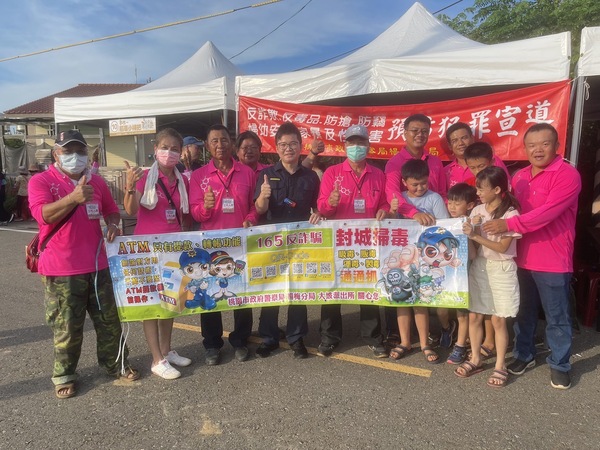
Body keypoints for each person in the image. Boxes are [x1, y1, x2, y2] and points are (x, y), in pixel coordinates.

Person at [28, 130, 139, 399]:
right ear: (56, 154)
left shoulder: (97, 181)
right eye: (68, 151)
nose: (75, 156)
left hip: (98, 265)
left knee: (109, 321)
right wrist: (73, 198)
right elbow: (43, 215)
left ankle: (116, 363)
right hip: (62, 269)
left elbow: (111, 210)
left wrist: (113, 224)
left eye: (80, 151)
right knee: (67, 326)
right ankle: (64, 375)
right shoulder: (41, 181)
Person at [482, 123, 581, 390]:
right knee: (524, 312)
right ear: (524, 148)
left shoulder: (567, 175)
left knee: (556, 316)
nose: (538, 150)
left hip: (553, 259)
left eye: (545, 144)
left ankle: (560, 364)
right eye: (532, 145)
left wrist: (508, 225)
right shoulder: (519, 177)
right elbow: (505, 206)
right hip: (520, 257)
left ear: (556, 146)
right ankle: (524, 354)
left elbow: (547, 213)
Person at [123, 128, 192, 380]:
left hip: (173, 248)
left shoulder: (182, 180)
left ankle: (166, 350)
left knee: (171, 301)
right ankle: (156, 359)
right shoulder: (144, 177)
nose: (169, 153)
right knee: (152, 304)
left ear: (181, 152)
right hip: (148, 250)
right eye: (165, 147)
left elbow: (184, 215)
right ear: (155, 149)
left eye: (175, 149)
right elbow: (130, 210)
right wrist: (130, 187)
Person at [316, 124, 390, 358]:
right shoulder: (332, 173)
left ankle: (373, 337)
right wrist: (331, 202)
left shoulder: (378, 174)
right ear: (345, 145)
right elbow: (322, 208)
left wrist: (384, 210)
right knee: (332, 287)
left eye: (361, 142)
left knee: (369, 287)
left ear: (368, 145)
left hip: (367, 241)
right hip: (339, 240)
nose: (356, 147)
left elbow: (385, 202)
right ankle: (329, 337)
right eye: (351, 143)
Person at [189, 124, 258, 365]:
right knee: (209, 293)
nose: (220, 145)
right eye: (214, 141)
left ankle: (240, 340)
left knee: (241, 292)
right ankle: (212, 344)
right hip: (210, 243)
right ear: (207, 146)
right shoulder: (199, 176)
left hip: (240, 243)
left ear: (232, 143)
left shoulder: (247, 173)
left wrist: (251, 218)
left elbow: (254, 205)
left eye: (224, 140)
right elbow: (195, 213)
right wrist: (205, 207)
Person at [254, 121, 322, 359]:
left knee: (298, 289)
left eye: (293, 144)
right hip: (272, 243)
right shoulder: (266, 175)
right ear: (276, 148)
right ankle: (269, 337)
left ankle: (296, 338)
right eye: (283, 144)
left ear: (301, 146)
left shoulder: (311, 177)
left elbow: (318, 207)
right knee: (270, 289)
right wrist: (263, 197)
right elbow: (259, 209)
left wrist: (318, 213)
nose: (288, 149)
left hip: (300, 242)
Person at [455, 167, 521, 388]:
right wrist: (468, 232)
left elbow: (502, 248)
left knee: (499, 319)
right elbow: (474, 251)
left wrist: (474, 235)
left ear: (497, 189)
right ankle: (475, 358)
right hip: (480, 267)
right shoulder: (477, 210)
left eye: (481, 189)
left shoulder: (510, 214)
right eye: (477, 188)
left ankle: (500, 365)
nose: (478, 193)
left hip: (501, 269)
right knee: (475, 315)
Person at [389, 159, 447, 364]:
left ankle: (424, 343)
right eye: (415, 184)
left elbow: (445, 226)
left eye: (423, 183)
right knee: (402, 299)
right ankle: (405, 341)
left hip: (426, 258)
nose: (420, 188)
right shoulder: (400, 199)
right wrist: (392, 211)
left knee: (420, 300)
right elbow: (390, 225)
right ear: (404, 182)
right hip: (404, 258)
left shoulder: (435, 199)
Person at [385, 113, 447, 226]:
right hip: (407, 225)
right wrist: (414, 213)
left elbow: (442, 193)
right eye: (415, 130)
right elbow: (393, 194)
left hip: (434, 223)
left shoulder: (436, 162)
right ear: (405, 133)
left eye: (424, 131)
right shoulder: (394, 163)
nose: (420, 135)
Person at [445, 183, 477, 365]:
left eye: (457, 203)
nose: (452, 207)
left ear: (470, 205)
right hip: (449, 276)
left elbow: (472, 255)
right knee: (448, 310)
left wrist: (468, 235)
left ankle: (460, 345)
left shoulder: (471, 224)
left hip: (465, 277)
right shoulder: (445, 223)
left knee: (463, 312)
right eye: (450, 202)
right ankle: (449, 332)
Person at [445, 122, 510, 189]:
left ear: (472, 138)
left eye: (464, 138)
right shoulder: (446, 171)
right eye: (455, 141)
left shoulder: (492, 160)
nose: (460, 143)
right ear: (449, 146)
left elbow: (506, 187)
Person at [235, 129, 325, 177]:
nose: (249, 151)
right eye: (245, 148)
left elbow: (296, 170)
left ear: (259, 150)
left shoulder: (268, 172)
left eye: (254, 147)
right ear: (237, 151)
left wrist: (313, 153)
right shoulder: (231, 173)